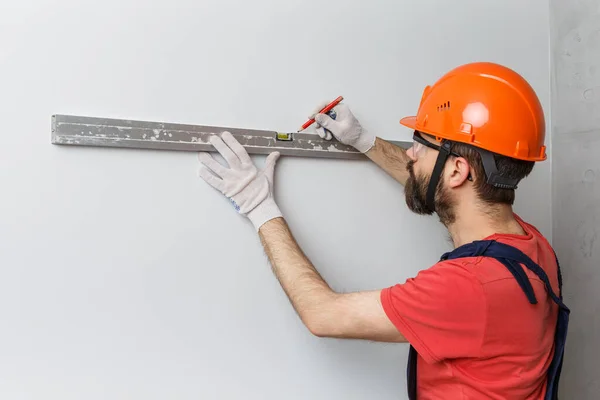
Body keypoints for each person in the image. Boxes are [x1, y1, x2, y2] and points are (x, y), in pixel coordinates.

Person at [196, 62, 569, 399]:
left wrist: (259, 206)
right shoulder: (530, 246)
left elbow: (323, 315)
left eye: (420, 145)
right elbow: (438, 190)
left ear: (457, 171)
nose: (410, 154)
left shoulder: (466, 287)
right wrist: (364, 141)